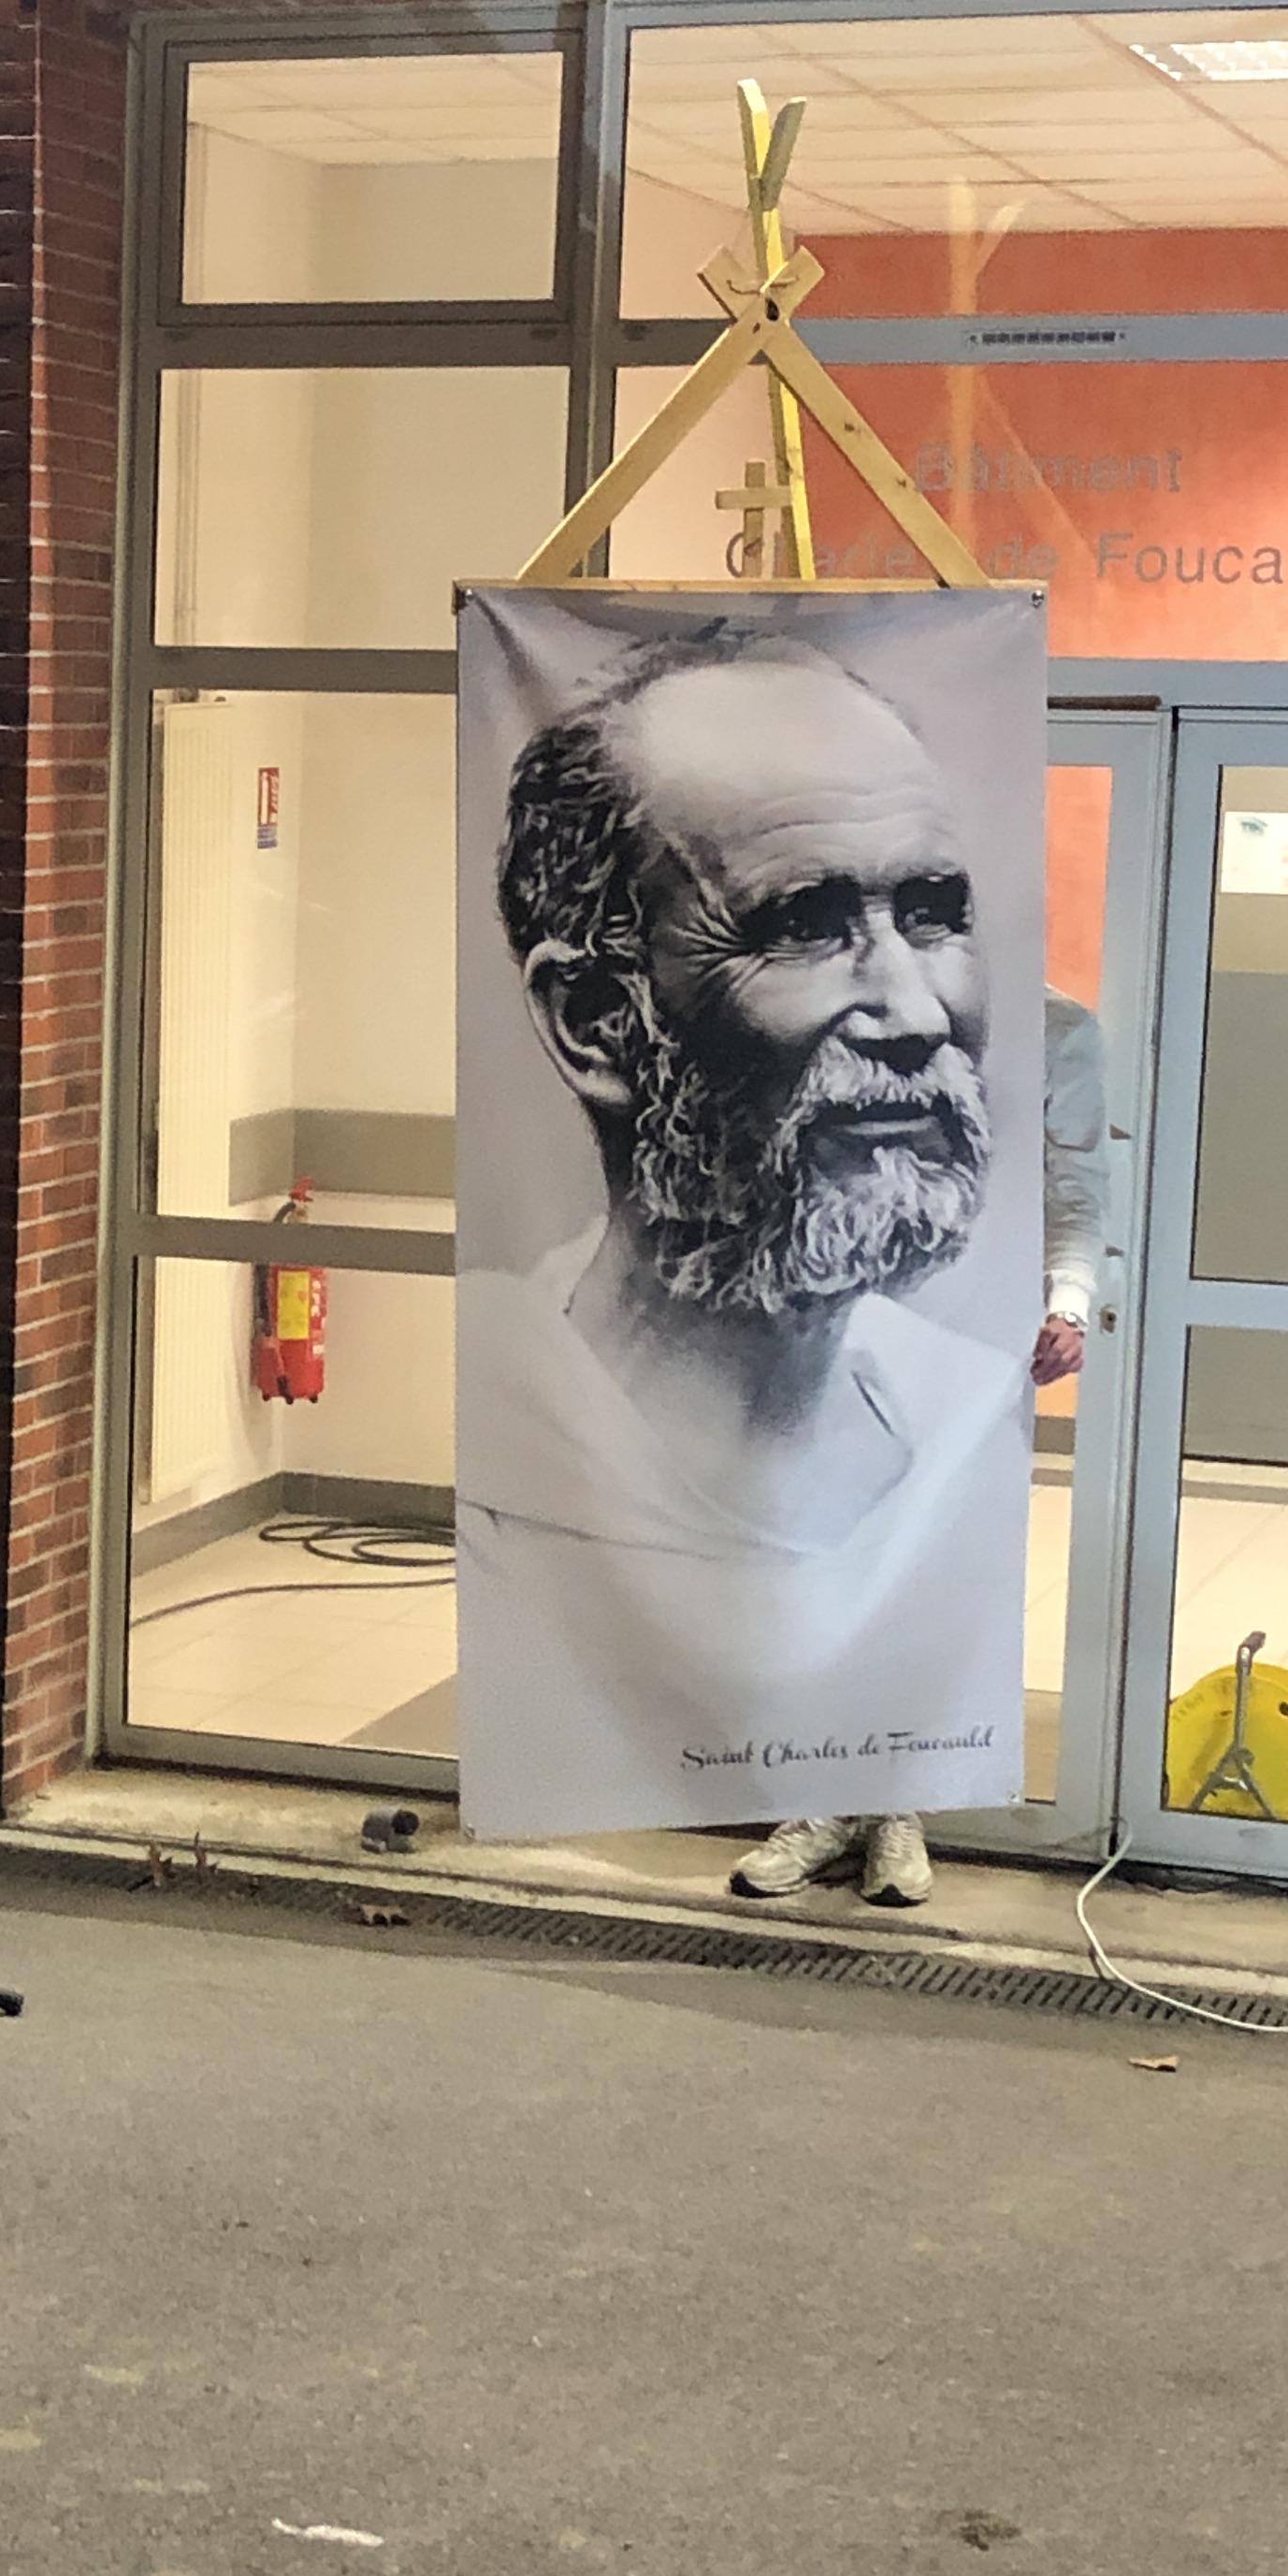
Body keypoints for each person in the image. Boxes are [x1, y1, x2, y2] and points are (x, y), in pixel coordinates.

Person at [462, 625, 1028, 1871]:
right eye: (802, 927)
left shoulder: (959, 1415)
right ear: (595, 1022)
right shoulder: (508, 1435)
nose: (914, 1013)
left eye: (932, 916)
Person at [735, 977, 1110, 1905]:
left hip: (974, 1349)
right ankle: (824, 1803)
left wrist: (1069, 1304)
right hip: (825, 1327)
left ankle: (897, 1807)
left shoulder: (1061, 1031)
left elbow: (1079, 1191)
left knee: (934, 1577)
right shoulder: (855, 1003)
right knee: (823, 1570)